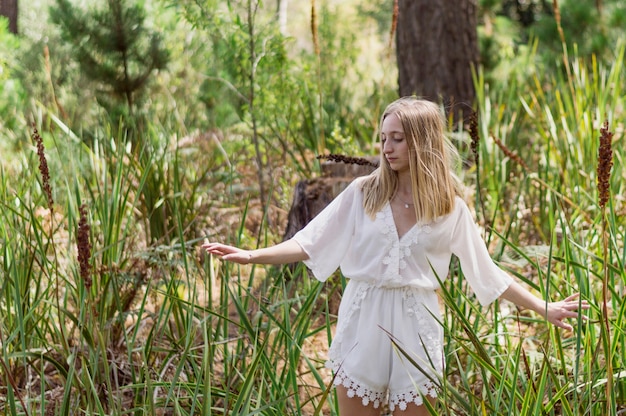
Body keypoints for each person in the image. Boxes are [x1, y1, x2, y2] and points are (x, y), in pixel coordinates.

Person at [202, 97, 589, 416]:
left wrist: (544, 307)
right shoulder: (362, 193)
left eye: (398, 139)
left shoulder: (449, 208)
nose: (386, 148)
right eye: (383, 138)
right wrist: (252, 255)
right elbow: (309, 242)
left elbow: (486, 273)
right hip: (362, 318)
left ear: (422, 141)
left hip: (417, 324)